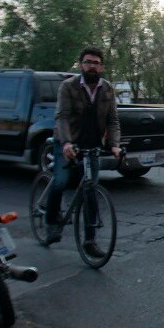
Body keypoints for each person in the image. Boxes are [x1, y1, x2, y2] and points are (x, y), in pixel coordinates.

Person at [46, 47, 123, 257]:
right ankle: (51, 222)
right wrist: (66, 143)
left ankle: (90, 240)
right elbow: (62, 116)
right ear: (81, 65)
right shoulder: (68, 86)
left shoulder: (107, 89)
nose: (92, 66)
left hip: (92, 145)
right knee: (60, 181)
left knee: (90, 191)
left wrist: (114, 144)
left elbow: (113, 120)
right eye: (88, 62)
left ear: (102, 67)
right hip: (67, 142)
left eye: (96, 63)